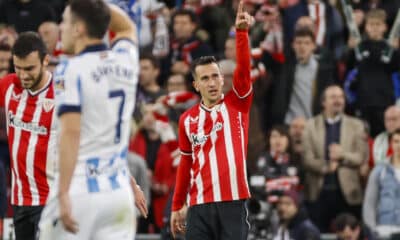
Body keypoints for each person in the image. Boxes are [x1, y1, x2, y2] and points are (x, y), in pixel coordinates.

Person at [37, 1, 147, 239]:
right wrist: (93, 5)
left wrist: (63, 193)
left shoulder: (70, 69)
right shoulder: (125, 58)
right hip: (118, 193)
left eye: (65, 21)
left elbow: (71, 132)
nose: (61, 28)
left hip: (80, 190)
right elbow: (127, 27)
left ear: (78, 29)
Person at [170, 2, 253, 239]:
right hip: (198, 205)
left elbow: (244, 70)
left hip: (232, 202)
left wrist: (241, 33)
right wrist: (177, 205)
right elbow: (185, 166)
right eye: (205, 78)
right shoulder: (187, 119)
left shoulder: (237, 104)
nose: (212, 82)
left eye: (215, 76)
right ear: (196, 85)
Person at [0, 32, 56, 240]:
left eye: (30, 69)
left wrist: (130, 181)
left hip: (51, 200)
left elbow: (91, 138)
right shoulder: (8, 85)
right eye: (18, 68)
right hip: (19, 199)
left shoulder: (62, 92)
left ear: (46, 61)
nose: (23, 75)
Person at [302, 85, 367, 232]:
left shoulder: (356, 125)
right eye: (333, 97)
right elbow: (307, 159)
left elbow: (360, 156)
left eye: (341, 97)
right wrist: (326, 166)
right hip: (318, 194)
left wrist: (342, 155)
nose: (338, 100)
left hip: (348, 195)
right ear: (323, 102)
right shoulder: (310, 125)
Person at [363, 128, 400, 238]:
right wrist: (373, 229)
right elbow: (369, 203)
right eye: (396, 141)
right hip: (384, 229)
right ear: (391, 144)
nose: (399, 145)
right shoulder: (379, 171)